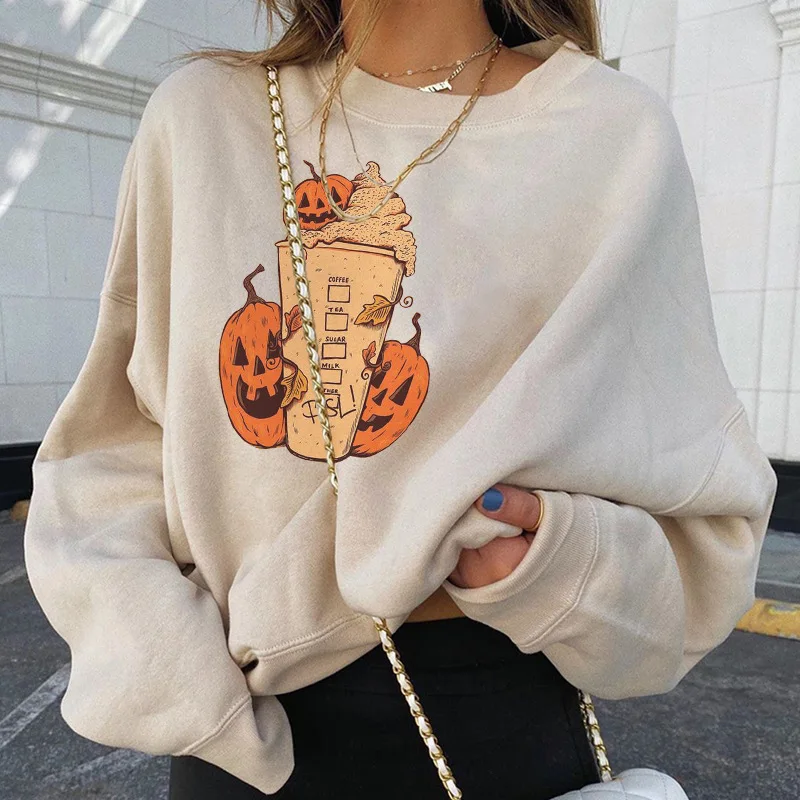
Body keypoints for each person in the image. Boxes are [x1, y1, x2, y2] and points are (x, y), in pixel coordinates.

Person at [23, 0, 778, 798]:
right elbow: (114, 450)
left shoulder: (611, 136)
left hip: (495, 718)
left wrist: (557, 561)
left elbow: (704, 522)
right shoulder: (203, 118)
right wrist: (168, 673)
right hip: (242, 732)